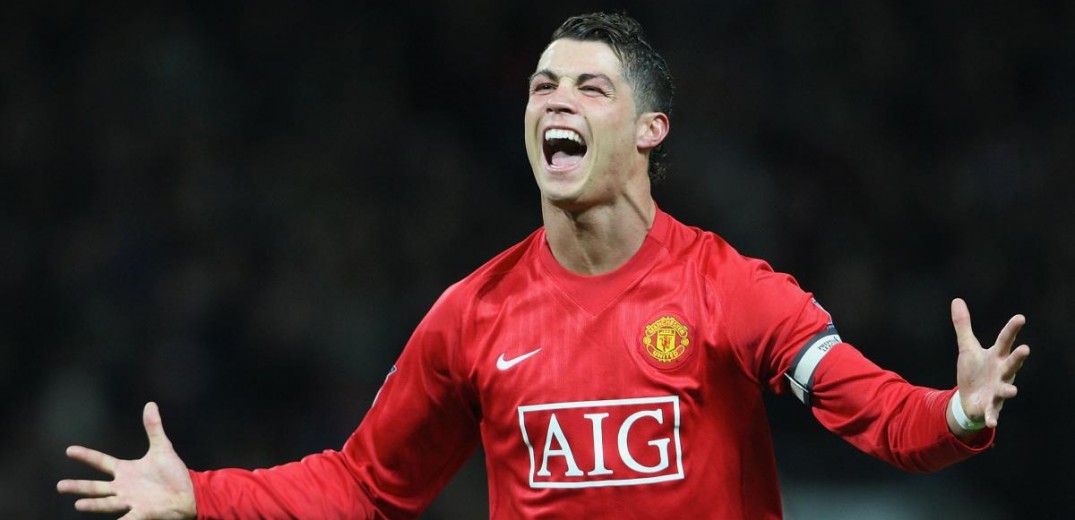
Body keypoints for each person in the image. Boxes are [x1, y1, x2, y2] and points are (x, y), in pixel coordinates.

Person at [57, 12, 1031, 519]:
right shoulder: (470, 314)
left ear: (649, 129)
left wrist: (955, 413)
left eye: (589, 87)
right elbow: (365, 488)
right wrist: (205, 495)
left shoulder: (730, 290)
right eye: (541, 84)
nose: (555, 100)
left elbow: (877, 414)